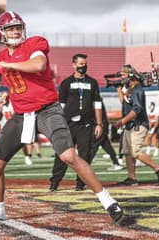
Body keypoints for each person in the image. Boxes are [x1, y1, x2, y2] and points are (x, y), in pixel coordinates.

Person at [0, 11, 123, 224]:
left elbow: (38, 65)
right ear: (1, 33)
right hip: (20, 115)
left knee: (69, 156)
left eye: (18, 27)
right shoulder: (0, 58)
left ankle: (109, 202)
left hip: (47, 110)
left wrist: (9, 65)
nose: (16, 31)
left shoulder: (35, 43)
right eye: (10, 28)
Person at [49, 53, 104, 191]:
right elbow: (60, 105)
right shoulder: (66, 83)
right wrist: (58, 124)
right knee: (62, 154)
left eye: (85, 64)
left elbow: (97, 104)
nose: (83, 67)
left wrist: (99, 124)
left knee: (84, 155)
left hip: (86, 125)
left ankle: (80, 183)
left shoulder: (92, 83)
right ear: (73, 65)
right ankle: (55, 182)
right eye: (80, 64)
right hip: (68, 124)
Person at [114, 64, 159, 186]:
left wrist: (123, 121)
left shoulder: (137, 89)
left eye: (124, 74)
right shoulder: (129, 88)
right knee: (127, 151)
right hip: (130, 125)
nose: (122, 77)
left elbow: (137, 109)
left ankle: (158, 168)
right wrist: (118, 89)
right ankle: (132, 178)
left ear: (131, 75)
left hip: (138, 124)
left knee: (135, 152)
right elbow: (124, 102)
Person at [88, 101, 124, 171]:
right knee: (107, 146)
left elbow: (98, 114)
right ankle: (116, 163)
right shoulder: (97, 101)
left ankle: (87, 164)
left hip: (101, 126)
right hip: (102, 125)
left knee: (94, 145)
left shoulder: (96, 102)